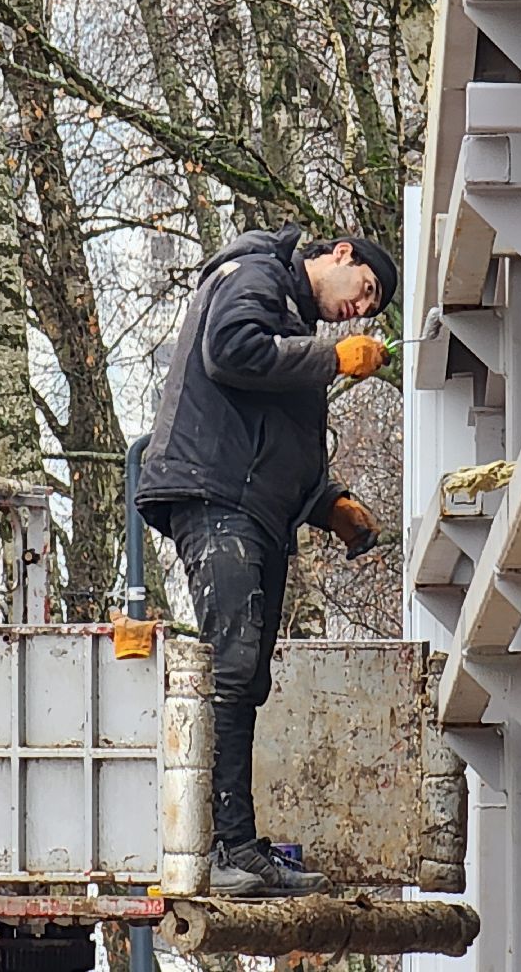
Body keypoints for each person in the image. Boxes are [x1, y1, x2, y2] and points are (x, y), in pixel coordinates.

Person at [136, 222, 396, 897]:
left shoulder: (290, 319)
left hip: (249, 505)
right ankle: (220, 847)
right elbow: (231, 351)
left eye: (370, 307)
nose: (360, 308)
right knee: (232, 666)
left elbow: (271, 437)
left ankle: (238, 845)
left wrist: (327, 502)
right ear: (341, 254)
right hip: (216, 496)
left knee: (245, 673)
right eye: (365, 289)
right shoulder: (256, 273)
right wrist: (333, 359)